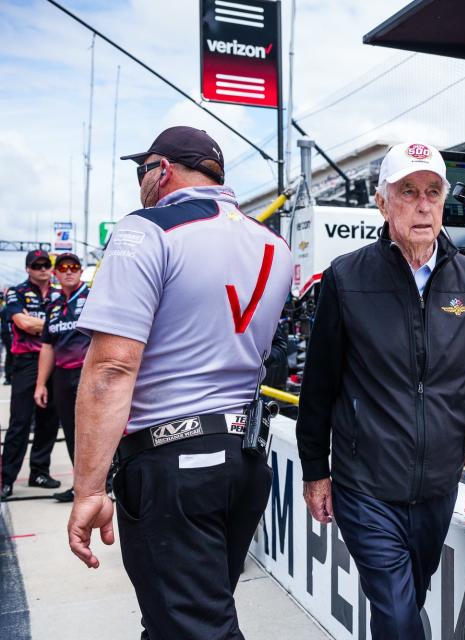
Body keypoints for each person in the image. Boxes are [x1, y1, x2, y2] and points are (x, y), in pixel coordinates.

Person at [66, 125, 293, 639]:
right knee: (179, 620)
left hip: (173, 465)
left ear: (161, 170)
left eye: (141, 170)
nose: (139, 184)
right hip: (244, 460)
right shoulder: (273, 244)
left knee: (193, 627)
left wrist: (88, 488)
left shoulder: (146, 228)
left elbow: (110, 368)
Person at [297, 141, 465, 640]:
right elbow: (319, 386)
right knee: (395, 612)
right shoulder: (346, 277)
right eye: (408, 191)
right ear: (382, 202)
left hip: (436, 489)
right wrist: (314, 471)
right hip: (365, 486)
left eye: (433, 192)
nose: (422, 203)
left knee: (406, 602)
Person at [1, 249, 63, 499]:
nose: (42, 269)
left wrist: (41, 326)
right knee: (20, 422)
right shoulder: (16, 291)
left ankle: (39, 471)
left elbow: (73, 323)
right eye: (36, 265)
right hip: (26, 361)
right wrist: (53, 325)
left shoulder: (60, 294)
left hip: (56, 360)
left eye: (45, 265)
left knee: (49, 421)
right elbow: (23, 323)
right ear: (28, 268)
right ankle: (6, 479)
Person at [34, 252, 89, 503]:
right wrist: (40, 384)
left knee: (92, 431)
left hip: (88, 374)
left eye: (74, 267)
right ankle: (80, 485)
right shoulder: (54, 306)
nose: (69, 271)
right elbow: (47, 347)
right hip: (62, 377)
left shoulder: (92, 298)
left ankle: (106, 481)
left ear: (80, 271)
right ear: (55, 273)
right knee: (70, 432)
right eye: (64, 267)